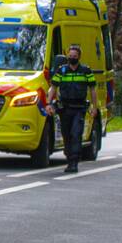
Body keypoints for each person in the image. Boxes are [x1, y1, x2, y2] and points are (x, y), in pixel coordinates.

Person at [45, 44, 99, 173]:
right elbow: (53, 87)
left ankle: (74, 162)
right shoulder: (61, 71)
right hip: (64, 108)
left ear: (79, 57)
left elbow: (92, 90)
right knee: (67, 135)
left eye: (74, 56)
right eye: (70, 56)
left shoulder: (86, 71)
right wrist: (48, 103)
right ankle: (69, 158)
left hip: (79, 108)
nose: (72, 58)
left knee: (76, 134)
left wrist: (94, 107)